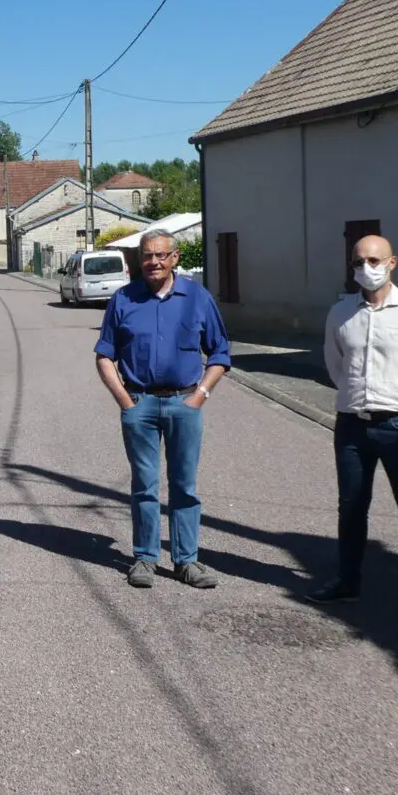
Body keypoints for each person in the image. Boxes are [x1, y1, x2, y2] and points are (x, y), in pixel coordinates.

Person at [308, 235, 398, 631]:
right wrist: (356, 396)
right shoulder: (341, 313)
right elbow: (335, 364)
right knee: (351, 507)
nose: (366, 268)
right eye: (359, 262)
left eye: (374, 260)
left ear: (392, 263)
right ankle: (348, 583)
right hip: (353, 425)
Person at [94, 229, 231, 589]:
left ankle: (187, 561)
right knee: (145, 485)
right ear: (139, 260)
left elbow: (220, 354)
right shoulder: (124, 299)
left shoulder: (197, 298)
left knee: (184, 485)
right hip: (139, 404)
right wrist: (124, 400)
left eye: (160, 255)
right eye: (147, 256)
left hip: (184, 403)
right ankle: (145, 558)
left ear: (175, 258)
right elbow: (104, 355)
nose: (153, 262)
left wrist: (200, 395)